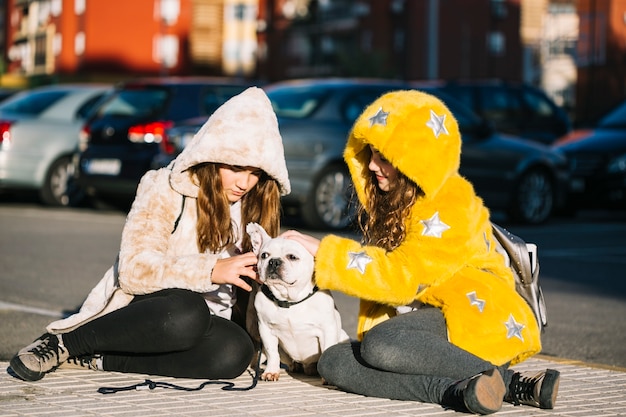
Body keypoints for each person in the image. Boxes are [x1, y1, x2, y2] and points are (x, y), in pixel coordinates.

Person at [282, 90, 560, 415]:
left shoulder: (452, 202)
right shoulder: (394, 203)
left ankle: (515, 385)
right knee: (334, 361)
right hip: (421, 324)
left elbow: (399, 278)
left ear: (414, 160)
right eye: (370, 154)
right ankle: (460, 392)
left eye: (383, 157)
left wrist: (323, 252)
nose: (371, 165)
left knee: (381, 345)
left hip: (472, 313)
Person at [9, 87, 290, 382]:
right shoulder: (164, 188)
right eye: (235, 168)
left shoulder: (255, 208)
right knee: (187, 311)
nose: (245, 182)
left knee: (235, 351)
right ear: (213, 155)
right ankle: (65, 342)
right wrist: (211, 270)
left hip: (205, 323)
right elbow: (134, 270)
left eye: (255, 172)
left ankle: (97, 360)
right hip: (150, 308)